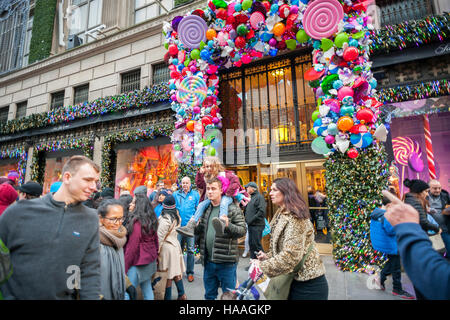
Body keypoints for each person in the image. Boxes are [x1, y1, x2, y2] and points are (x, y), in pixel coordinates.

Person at [0, 155, 101, 299]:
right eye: (88, 180)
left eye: (96, 181)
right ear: (67, 177)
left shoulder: (90, 219)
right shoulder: (19, 212)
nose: (94, 187)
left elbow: (90, 271)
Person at [253, 178, 328, 300]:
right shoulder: (281, 213)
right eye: (270, 189)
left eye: (274, 190)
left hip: (308, 286)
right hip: (292, 281)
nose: (270, 193)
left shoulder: (296, 217)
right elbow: (282, 246)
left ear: (286, 192)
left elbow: (290, 256)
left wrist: (262, 266)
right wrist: (268, 256)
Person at [382, 190, 450, 300]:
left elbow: (436, 276)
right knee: (393, 266)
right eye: (426, 191)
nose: (427, 194)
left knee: (394, 267)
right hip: (396, 247)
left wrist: (407, 226)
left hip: (405, 245)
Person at [194, 177, 247, 300]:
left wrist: (228, 225)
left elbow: (242, 230)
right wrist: (196, 227)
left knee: (228, 297)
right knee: (209, 295)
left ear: (221, 190)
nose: (210, 192)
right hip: (208, 262)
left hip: (226, 263)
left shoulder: (232, 208)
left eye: (213, 189)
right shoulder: (206, 208)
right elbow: (200, 231)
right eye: (208, 189)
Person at [177, 156, 249, 238]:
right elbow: (200, 185)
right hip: (214, 199)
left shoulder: (225, 174)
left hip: (226, 196)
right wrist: (200, 173)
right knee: (201, 205)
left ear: (216, 165)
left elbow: (235, 181)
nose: (209, 168)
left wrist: (227, 192)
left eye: (211, 166)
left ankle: (222, 222)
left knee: (224, 203)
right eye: (207, 166)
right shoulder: (206, 177)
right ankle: (190, 226)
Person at [370, 193, 414, 299]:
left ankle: (380, 279)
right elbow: (391, 230)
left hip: (385, 243)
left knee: (392, 263)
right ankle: (397, 289)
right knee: (396, 267)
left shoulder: (377, 212)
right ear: (389, 205)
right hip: (391, 244)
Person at [124, 189, 159, 300]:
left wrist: (124, 267)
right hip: (149, 259)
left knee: (127, 291)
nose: (131, 204)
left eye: (133, 202)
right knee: (146, 287)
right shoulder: (151, 218)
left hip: (138, 261)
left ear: (138, 205)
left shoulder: (137, 222)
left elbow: (132, 247)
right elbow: (156, 239)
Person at [157, 195, 186, 300]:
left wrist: (156, 251)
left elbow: (160, 237)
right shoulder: (176, 216)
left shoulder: (166, 219)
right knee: (176, 271)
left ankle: (167, 297)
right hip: (175, 246)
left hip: (166, 248)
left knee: (168, 274)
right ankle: (182, 294)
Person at [97, 199, 127, 300]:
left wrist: (127, 283)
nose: (118, 223)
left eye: (121, 218)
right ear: (101, 218)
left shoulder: (119, 239)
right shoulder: (93, 240)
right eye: (113, 219)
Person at [173, 176, 200, 282]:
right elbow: (174, 208)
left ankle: (190, 272)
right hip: (179, 227)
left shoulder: (195, 195)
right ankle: (178, 272)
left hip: (190, 228)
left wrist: (196, 219)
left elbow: (198, 209)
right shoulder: (176, 194)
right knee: (178, 250)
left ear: (190, 184)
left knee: (190, 250)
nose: (184, 185)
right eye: (183, 183)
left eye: (186, 183)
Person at [244, 182, 266, 260]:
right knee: (252, 244)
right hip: (251, 225)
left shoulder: (259, 197)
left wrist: (251, 220)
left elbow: (261, 211)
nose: (246, 189)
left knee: (256, 245)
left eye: (247, 187)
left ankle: (263, 264)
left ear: (252, 188)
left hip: (257, 225)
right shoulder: (252, 197)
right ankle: (254, 264)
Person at [427, 179, 450, 255]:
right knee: (435, 253)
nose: (438, 190)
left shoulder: (445, 196)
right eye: (435, 188)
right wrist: (427, 209)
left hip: (445, 229)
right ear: (428, 188)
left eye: (439, 188)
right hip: (430, 231)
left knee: (449, 249)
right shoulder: (424, 196)